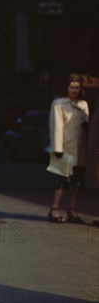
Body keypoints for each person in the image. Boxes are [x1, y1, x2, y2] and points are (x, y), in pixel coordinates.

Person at [48, 75, 89, 223]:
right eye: (71, 87)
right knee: (62, 180)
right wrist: (57, 148)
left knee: (76, 182)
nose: (74, 90)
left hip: (79, 149)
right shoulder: (58, 104)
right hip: (65, 148)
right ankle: (54, 209)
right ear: (66, 88)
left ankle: (72, 210)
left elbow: (86, 123)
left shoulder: (83, 104)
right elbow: (56, 126)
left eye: (77, 87)